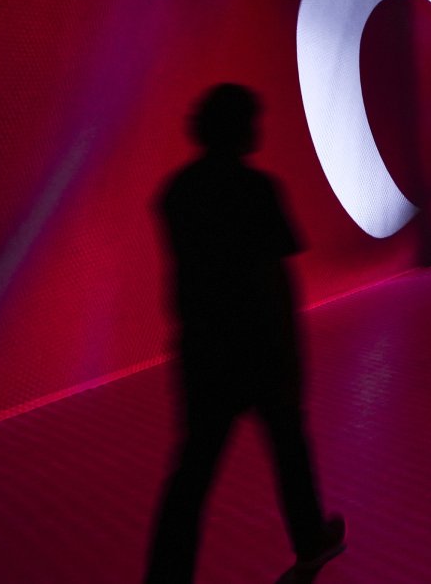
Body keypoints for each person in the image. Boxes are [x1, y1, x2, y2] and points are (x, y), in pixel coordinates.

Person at [145, 84, 344, 582]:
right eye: (253, 120)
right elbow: (274, 281)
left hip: (205, 350)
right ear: (239, 128)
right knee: (289, 449)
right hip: (261, 350)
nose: (259, 128)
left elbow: (185, 278)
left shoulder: (176, 192)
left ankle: (167, 575)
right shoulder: (259, 189)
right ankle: (310, 541)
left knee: (193, 470)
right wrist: (291, 357)